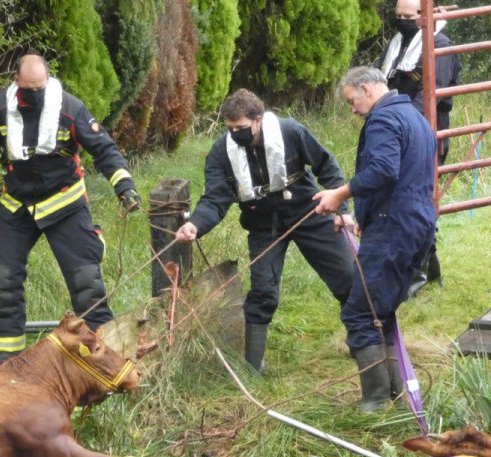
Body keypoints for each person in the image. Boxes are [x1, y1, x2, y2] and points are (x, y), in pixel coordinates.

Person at [0, 52, 141, 365]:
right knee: (2, 280)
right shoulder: (0, 107)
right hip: (17, 206)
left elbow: (104, 149)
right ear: (16, 81)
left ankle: (108, 363)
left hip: (65, 204)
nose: (34, 94)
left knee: (86, 283)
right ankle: (9, 364)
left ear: (48, 80)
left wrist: (124, 187)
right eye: (28, 89)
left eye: (39, 88)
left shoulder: (70, 108)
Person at [174, 89, 354, 373]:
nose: (235, 134)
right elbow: (215, 199)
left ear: (258, 120)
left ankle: (361, 341)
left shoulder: (291, 131)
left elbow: (327, 166)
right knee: (263, 292)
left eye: (241, 128)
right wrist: (195, 224)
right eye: (230, 129)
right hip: (262, 223)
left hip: (308, 212)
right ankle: (253, 368)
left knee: (348, 277)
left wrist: (342, 210)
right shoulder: (221, 151)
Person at [314, 67, 436, 412]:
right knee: (381, 310)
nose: (353, 110)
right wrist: (360, 217)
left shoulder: (383, 120)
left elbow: (383, 170)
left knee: (360, 313)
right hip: (416, 223)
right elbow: (405, 177)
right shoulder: (414, 117)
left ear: (366, 89)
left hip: (393, 227)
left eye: (352, 101)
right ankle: (397, 396)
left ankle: (376, 403)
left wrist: (339, 194)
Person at [376, 0, 461, 295]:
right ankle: (427, 270)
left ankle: (417, 274)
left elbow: (431, 96)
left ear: (423, 15)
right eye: (398, 15)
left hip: (424, 134)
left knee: (416, 202)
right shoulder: (398, 43)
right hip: (396, 132)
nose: (402, 20)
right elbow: (380, 79)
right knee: (404, 200)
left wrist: (398, 123)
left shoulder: (441, 46)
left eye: (408, 16)